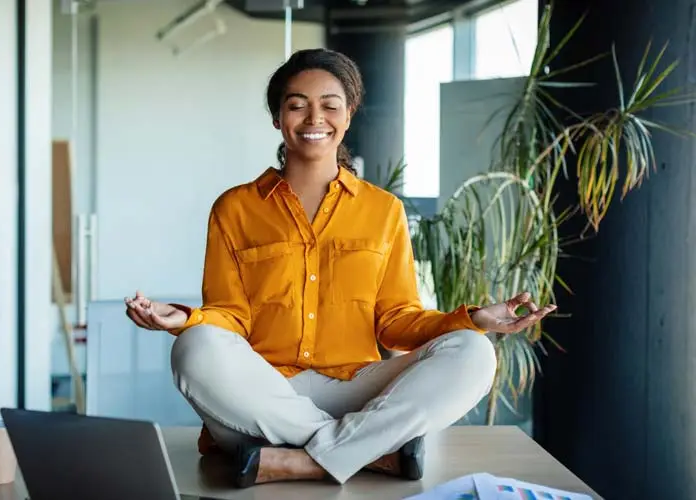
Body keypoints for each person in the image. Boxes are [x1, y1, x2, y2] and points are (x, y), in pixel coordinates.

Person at [125, 48, 555, 488]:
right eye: (297, 105)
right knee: (193, 347)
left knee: (473, 352)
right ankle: (369, 449)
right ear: (277, 117)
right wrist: (183, 319)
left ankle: (295, 459)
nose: (315, 118)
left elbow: (395, 322)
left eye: (330, 105)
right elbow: (230, 320)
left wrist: (474, 320)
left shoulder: (383, 210)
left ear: (348, 115)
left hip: (359, 389)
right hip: (267, 393)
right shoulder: (234, 208)